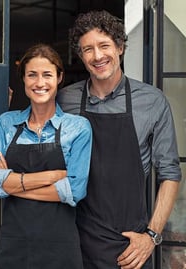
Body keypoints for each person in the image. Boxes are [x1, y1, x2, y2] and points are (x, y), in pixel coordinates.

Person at [57, 10, 182, 269]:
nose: (97, 56)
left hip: (129, 247)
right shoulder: (64, 99)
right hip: (72, 240)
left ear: (120, 47)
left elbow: (170, 173)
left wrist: (151, 236)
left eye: (104, 45)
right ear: (81, 56)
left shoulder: (151, 101)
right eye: (88, 49)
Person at [0, 43, 92, 269]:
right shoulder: (7, 123)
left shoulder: (78, 128)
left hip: (60, 248)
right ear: (23, 79)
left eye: (47, 75)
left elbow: (75, 191)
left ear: (59, 78)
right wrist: (52, 176)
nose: (40, 83)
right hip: (13, 245)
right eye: (32, 75)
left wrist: (12, 184)